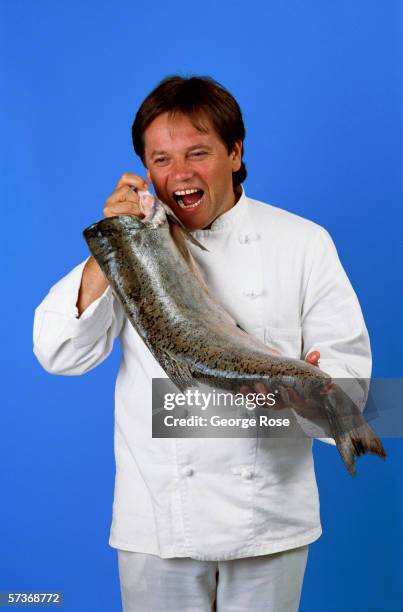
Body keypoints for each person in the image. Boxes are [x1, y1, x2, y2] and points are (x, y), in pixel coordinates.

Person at [33, 76, 371, 611]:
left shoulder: (303, 242)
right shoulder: (136, 247)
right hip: (159, 524)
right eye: (160, 159)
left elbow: (351, 390)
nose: (180, 174)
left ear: (235, 153)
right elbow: (58, 352)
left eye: (198, 153)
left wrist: (305, 394)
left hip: (270, 521)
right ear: (143, 169)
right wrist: (111, 243)